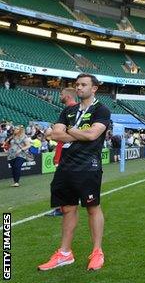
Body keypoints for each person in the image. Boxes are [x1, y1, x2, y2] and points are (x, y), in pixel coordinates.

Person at [38, 73, 110, 271]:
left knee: (92, 207)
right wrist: (77, 133)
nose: (79, 88)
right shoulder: (68, 110)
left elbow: (93, 134)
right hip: (66, 166)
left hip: (88, 166)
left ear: (94, 88)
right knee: (67, 208)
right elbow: (54, 134)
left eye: (83, 85)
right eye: (77, 85)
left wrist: (68, 132)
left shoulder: (101, 110)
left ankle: (97, 252)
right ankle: (64, 253)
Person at [45, 87, 78, 217]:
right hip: (65, 152)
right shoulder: (70, 109)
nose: (59, 96)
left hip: (68, 154)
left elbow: (65, 133)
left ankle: (61, 208)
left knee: (60, 184)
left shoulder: (72, 110)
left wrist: (53, 133)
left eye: (61, 94)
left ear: (68, 96)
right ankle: (64, 207)